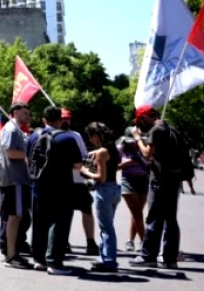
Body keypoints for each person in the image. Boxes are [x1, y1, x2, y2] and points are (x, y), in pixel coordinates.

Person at [130, 106, 185, 269]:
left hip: (160, 180)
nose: (140, 126)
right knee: (170, 219)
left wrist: (138, 138)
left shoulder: (156, 130)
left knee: (154, 218)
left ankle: (149, 255)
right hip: (174, 179)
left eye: (140, 122)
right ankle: (169, 258)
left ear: (145, 118)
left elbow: (147, 153)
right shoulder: (171, 129)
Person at [29, 107, 82, 275]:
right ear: (61, 119)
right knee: (59, 223)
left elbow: (28, 159)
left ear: (44, 119)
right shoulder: (67, 138)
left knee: (39, 222)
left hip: (38, 186)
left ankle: (39, 260)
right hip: (61, 187)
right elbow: (77, 165)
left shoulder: (34, 136)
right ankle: (55, 262)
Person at [58, 109, 99, 256]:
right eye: (63, 119)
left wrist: (87, 172)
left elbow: (83, 156)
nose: (66, 121)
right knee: (63, 213)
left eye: (68, 119)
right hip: (60, 180)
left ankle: (90, 242)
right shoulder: (51, 135)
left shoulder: (76, 135)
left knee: (86, 209)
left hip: (77, 179)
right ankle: (63, 241)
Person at [80, 123, 121, 272]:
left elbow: (100, 177)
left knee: (106, 228)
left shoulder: (101, 153)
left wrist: (85, 171)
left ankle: (109, 261)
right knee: (107, 225)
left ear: (96, 136)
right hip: (115, 189)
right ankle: (104, 257)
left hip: (104, 190)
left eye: (91, 137)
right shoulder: (113, 149)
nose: (90, 140)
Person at [0, 104, 33, 269]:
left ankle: (13, 252)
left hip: (17, 180)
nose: (27, 116)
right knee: (14, 217)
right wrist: (30, 154)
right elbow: (11, 152)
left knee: (16, 217)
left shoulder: (16, 130)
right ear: (15, 112)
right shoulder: (11, 130)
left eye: (28, 113)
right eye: (25, 113)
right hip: (14, 180)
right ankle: (11, 256)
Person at [117, 127, 150, 252]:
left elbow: (150, 162)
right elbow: (113, 167)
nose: (134, 143)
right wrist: (128, 163)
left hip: (143, 180)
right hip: (128, 180)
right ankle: (144, 242)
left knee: (137, 213)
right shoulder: (120, 148)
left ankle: (130, 240)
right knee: (137, 212)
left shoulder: (144, 147)